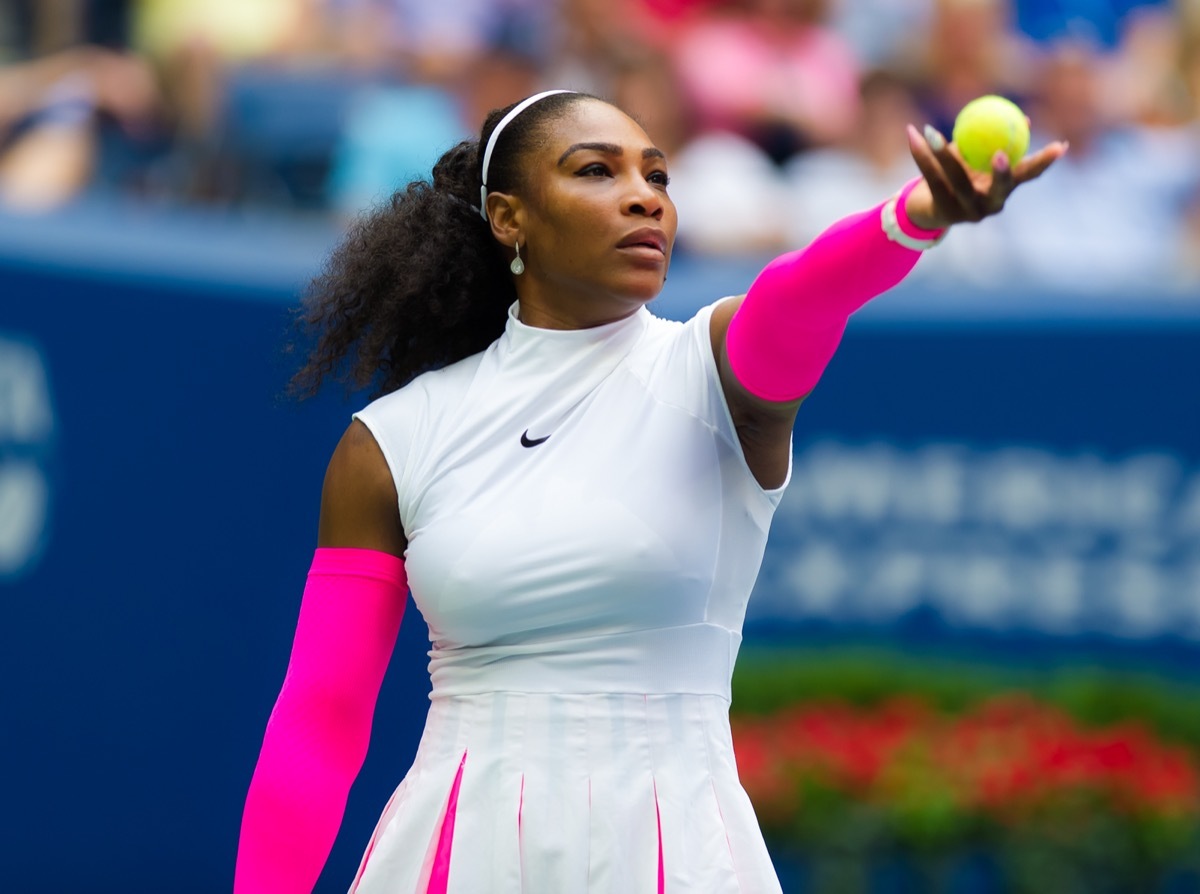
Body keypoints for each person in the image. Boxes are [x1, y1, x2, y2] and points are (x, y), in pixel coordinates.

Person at [233, 89, 1065, 892]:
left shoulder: (716, 371)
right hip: (455, 852)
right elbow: (320, 719)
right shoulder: (390, 440)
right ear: (509, 217)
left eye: (658, 176)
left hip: (679, 850)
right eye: (598, 171)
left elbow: (801, 296)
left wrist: (911, 220)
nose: (645, 199)